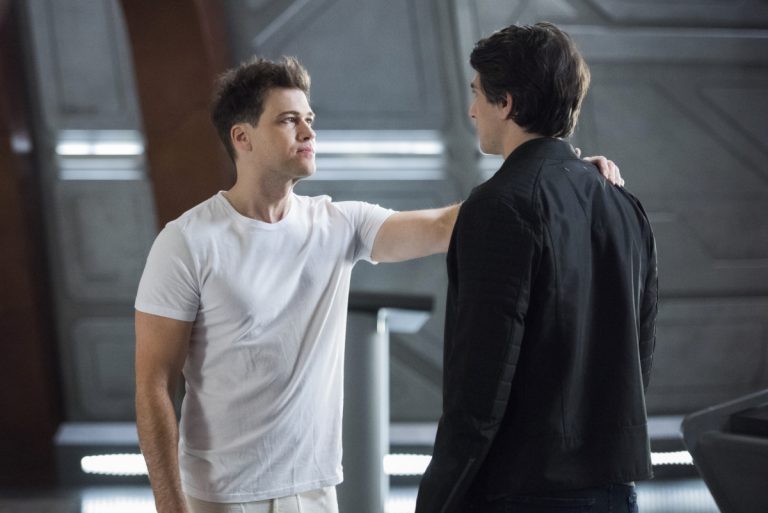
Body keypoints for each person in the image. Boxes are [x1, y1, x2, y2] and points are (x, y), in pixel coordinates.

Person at [134, 56, 621, 513]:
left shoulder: (338, 224)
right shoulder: (187, 241)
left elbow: (448, 225)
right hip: (218, 497)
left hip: (315, 493)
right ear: (242, 137)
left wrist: (559, 174)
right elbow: (154, 386)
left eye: (309, 119)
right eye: (288, 120)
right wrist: (171, 508)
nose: (308, 132)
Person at [414, 22, 658, 513]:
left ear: (507, 103)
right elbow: (640, 350)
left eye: (477, 93)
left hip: (524, 492)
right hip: (615, 491)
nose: (471, 109)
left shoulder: (499, 205)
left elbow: (479, 384)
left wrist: (436, 499)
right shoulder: (623, 205)